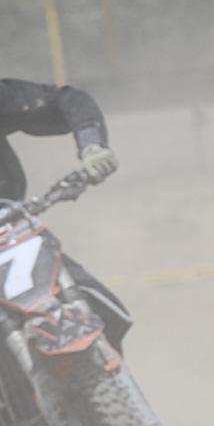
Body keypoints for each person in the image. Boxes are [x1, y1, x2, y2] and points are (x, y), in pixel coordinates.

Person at [0, 79, 131, 347]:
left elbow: (66, 100)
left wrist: (92, 145)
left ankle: (109, 366)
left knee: (99, 304)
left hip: (11, 231)